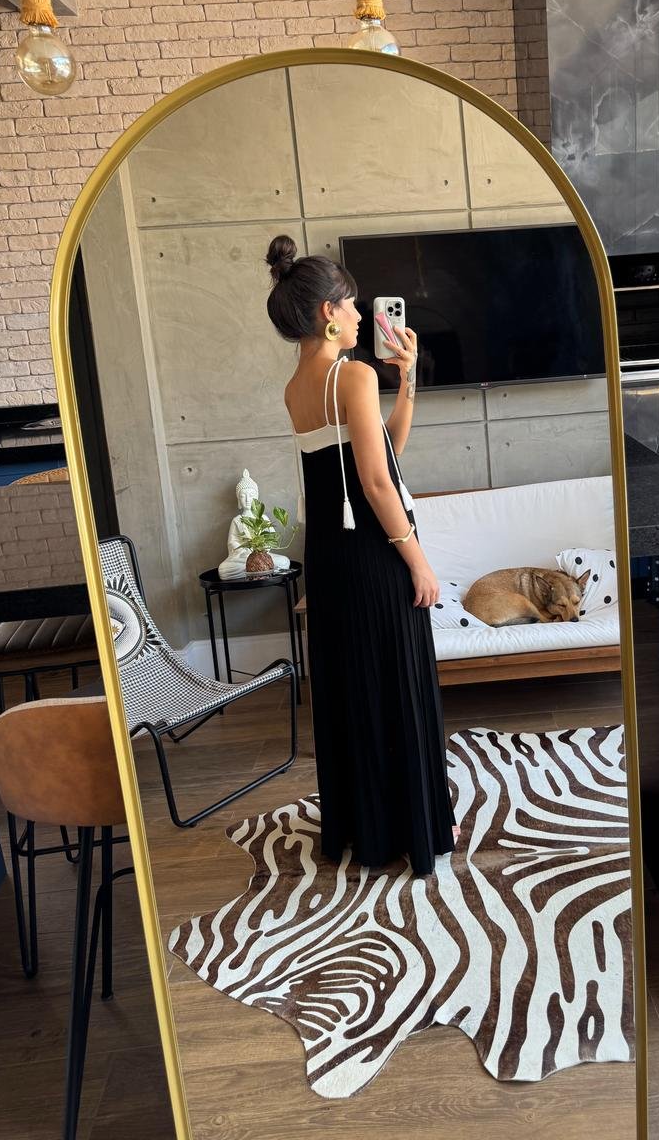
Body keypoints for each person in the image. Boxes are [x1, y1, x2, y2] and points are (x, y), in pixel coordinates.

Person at [266, 234, 457, 876]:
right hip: (374, 558)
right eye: (350, 303)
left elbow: (382, 456)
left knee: (355, 689)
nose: (358, 314)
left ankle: (365, 827)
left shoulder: (298, 386)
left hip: (330, 559)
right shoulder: (352, 375)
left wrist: (408, 379)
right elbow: (377, 484)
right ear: (329, 312)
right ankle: (414, 826)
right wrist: (418, 560)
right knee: (397, 684)